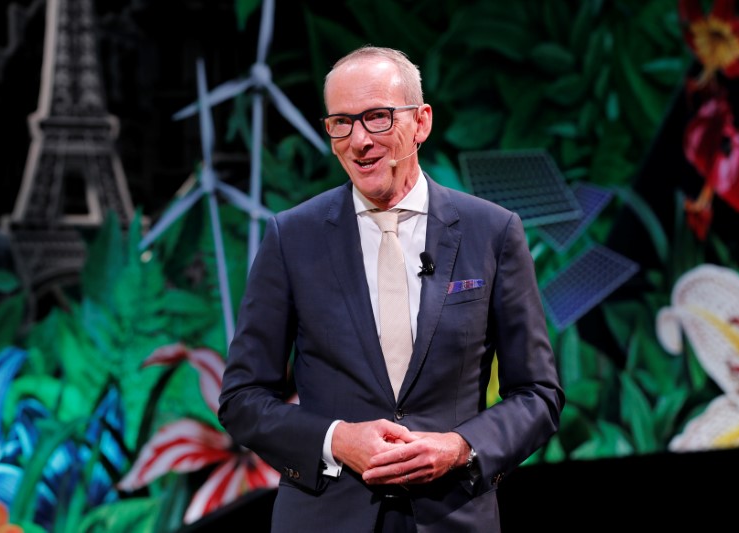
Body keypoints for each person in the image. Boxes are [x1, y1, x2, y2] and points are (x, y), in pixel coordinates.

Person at [218, 45, 564, 532]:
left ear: (421, 123)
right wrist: (336, 439)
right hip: (327, 517)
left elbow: (538, 394)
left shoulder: (493, 232)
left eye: (377, 118)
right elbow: (242, 397)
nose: (359, 140)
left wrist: (461, 447)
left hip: (452, 515)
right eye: (341, 122)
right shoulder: (291, 238)